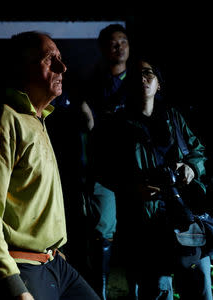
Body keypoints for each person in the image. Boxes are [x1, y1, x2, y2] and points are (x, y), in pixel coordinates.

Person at [0, 30, 100, 300]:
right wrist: (15, 286)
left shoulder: (39, 119)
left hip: (54, 262)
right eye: (49, 59)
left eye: (61, 59)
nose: (62, 67)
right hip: (22, 266)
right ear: (22, 68)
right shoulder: (6, 119)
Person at [113, 57, 213, 299]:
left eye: (149, 73)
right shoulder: (117, 125)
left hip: (185, 216)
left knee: (199, 287)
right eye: (136, 75)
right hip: (146, 223)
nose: (143, 78)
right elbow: (105, 170)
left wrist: (191, 167)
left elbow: (198, 151)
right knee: (157, 290)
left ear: (158, 84)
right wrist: (132, 188)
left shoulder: (174, 118)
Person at [83, 23, 132, 299]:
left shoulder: (140, 81)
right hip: (103, 169)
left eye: (124, 41)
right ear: (103, 48)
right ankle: (98, 292)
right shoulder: (91, 84)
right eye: (114, 42)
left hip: (135, 169)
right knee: (102, 229)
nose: (119, 46)